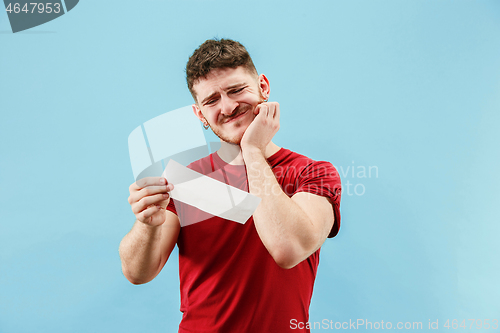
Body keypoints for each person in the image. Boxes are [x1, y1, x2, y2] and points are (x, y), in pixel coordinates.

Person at [119, 38, 342, 332]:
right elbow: (137, 273)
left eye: (237, 90)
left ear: (263, 86)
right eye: (211, 101)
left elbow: (288, 248)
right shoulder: (184, 181)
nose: (228, 107)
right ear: (200, 115)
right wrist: (146, 223)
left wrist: (252, 150)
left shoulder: (313, 173)